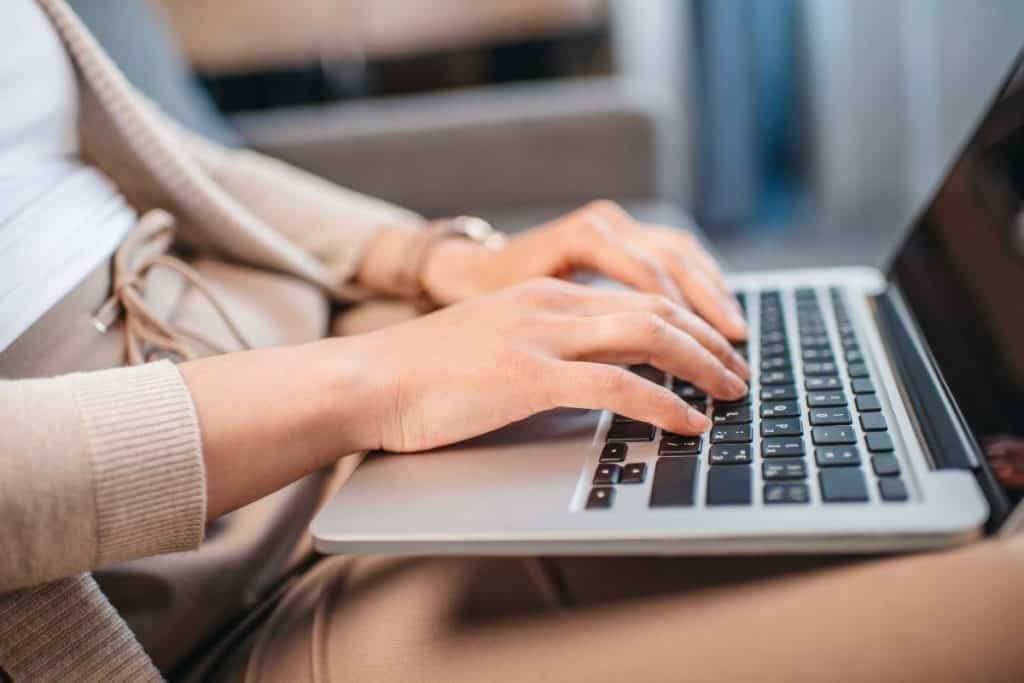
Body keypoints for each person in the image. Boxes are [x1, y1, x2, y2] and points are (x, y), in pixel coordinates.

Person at [2, 2, 1024, 682]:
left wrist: (433, 258)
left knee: (853, 428)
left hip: (352, 385)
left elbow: (143, 152)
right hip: (220, 588)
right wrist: (371, 381)